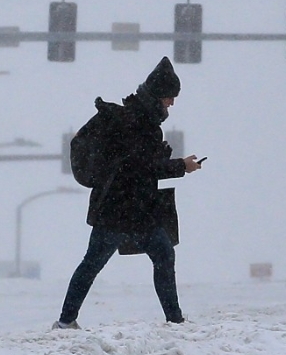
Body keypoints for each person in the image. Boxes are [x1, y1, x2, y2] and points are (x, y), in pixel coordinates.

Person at [53, 56, 203, 330]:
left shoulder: (132, 119)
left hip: (118, 207)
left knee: (99, 262)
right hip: (127, 209)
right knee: (157, 256)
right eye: (170, 97)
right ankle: (174, 320)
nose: (172, 103)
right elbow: (142, 167)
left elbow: (134, 163)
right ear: (157, 96)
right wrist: (181, 165)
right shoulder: (140, 124)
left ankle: (66, 320)